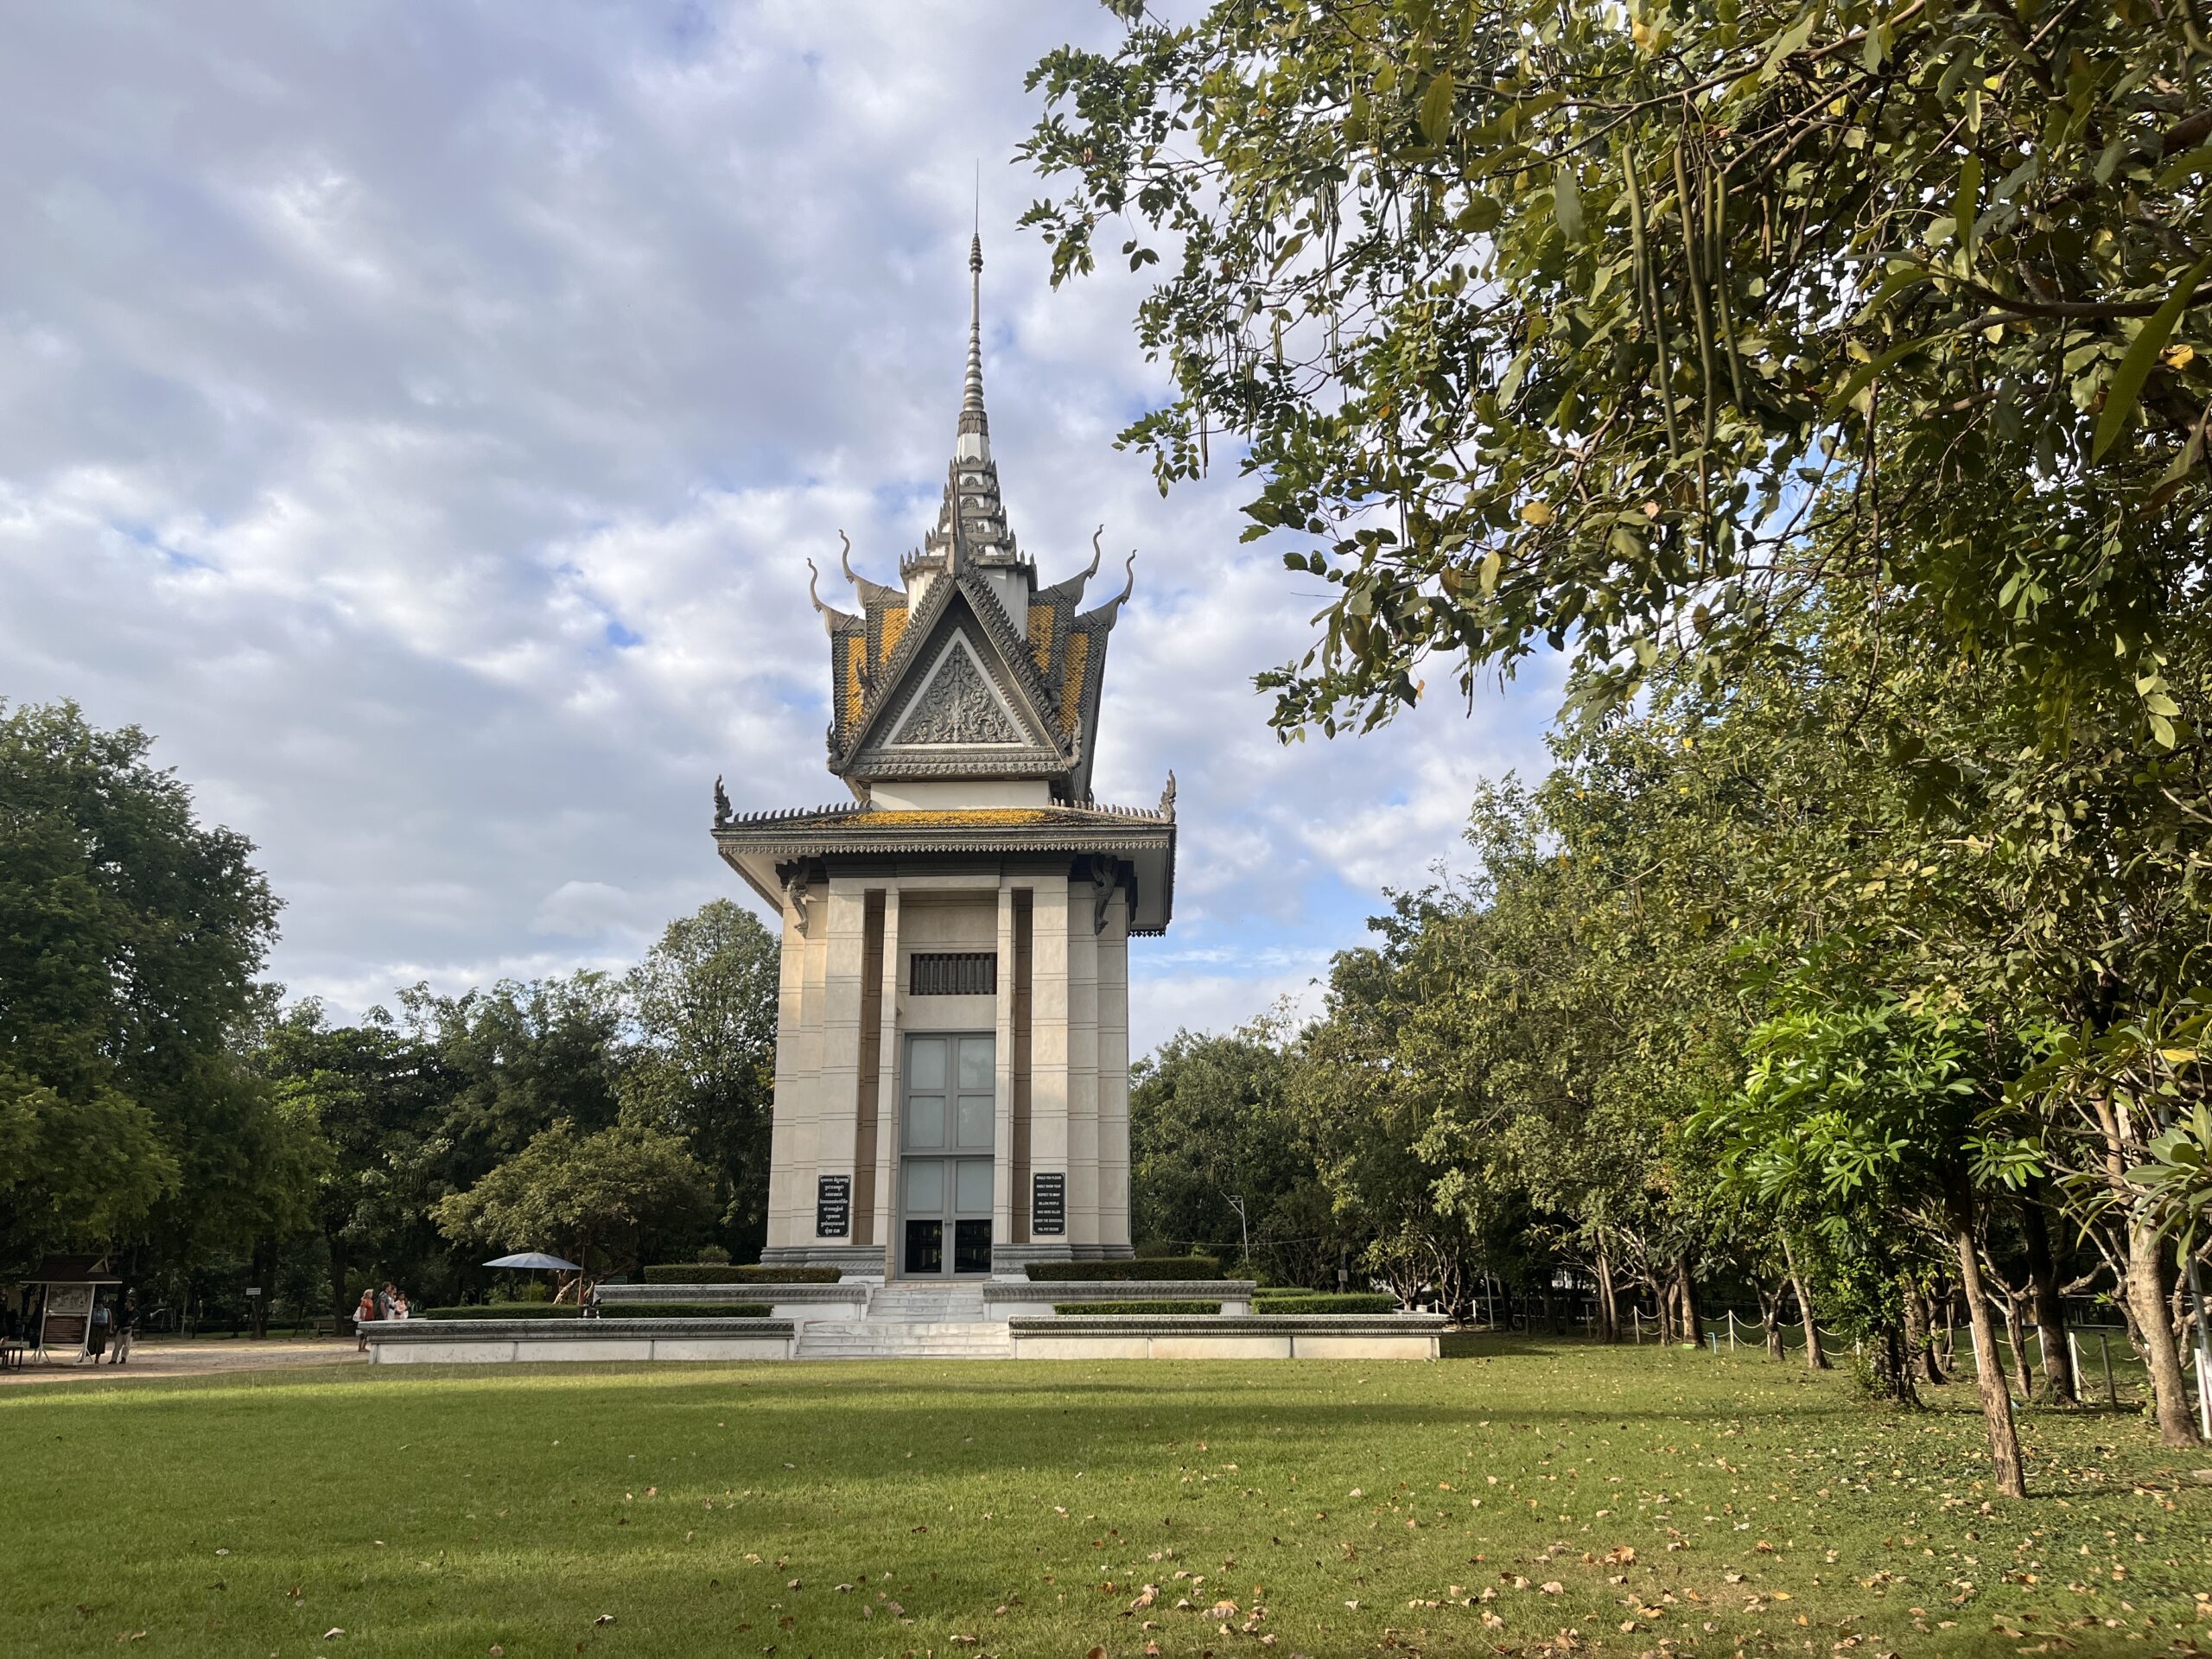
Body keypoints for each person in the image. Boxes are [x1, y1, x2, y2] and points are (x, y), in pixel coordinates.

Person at [109, 1293, 137, 1365]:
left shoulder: (135, 1312)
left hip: (129, 1330)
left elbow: (133, 1321)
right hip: (121, 1329)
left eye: (128, 1303)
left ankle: (123, 1358)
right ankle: (113, 1359)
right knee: (117, 1345)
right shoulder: (124, 1312)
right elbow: (120, 1319)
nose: (126, 1304)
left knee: (126, 1345)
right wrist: (117, 1327)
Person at [85, 1298, 110, 1363]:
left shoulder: (107, 1311)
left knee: (100, 1343)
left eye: (100, 1304)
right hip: (95, 1326)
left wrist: (110, 1329)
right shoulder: (93, 1310)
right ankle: (85, 1356)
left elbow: (110, 1320)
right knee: (92, 1342)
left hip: (103, 1327)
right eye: (97, 1304)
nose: (98, 1306)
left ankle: (97, 1358)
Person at [354, 1287, 378, 1351]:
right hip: (365, 1318)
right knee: (362, 1333)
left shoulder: (371, 1301)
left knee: (368, 1333)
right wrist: (362, 1318)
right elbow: (362, 1310)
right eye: (371, 1294)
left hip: (370, 1318)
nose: (372, 1295)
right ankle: (360, 1347)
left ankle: (364, 1346)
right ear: (367, 1294)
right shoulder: (364, 1301)